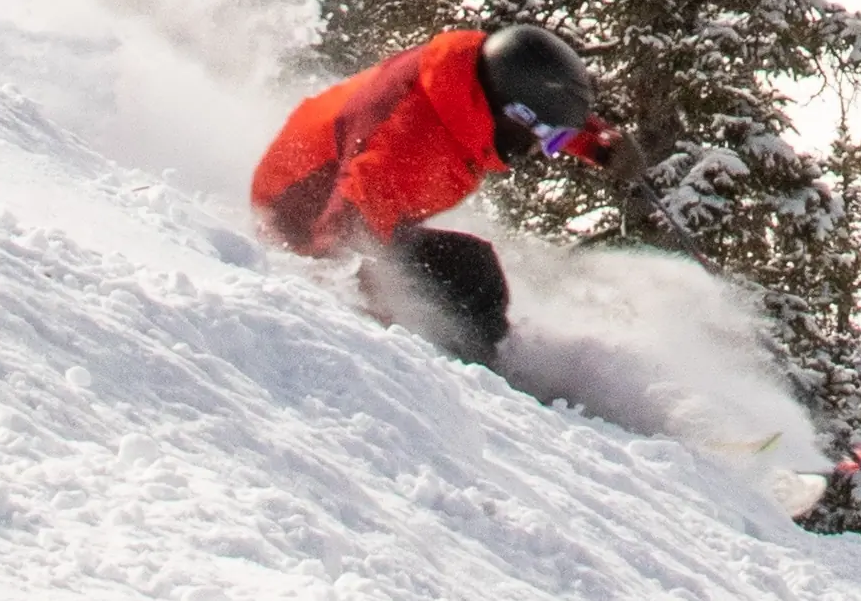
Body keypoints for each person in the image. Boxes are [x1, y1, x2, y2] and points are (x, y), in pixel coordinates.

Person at [248, 23, 626, 359]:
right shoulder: (403, 142)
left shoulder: (472, 82)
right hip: (299, 218)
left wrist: (596, 144)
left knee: (470, 275)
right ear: (513, 118)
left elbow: (534, 96)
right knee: (471, 275)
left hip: (364, 210)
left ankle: (480, 363)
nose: (545, 151)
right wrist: (366, 320)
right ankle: (469, 379)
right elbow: (341, 238)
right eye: (550, 139)